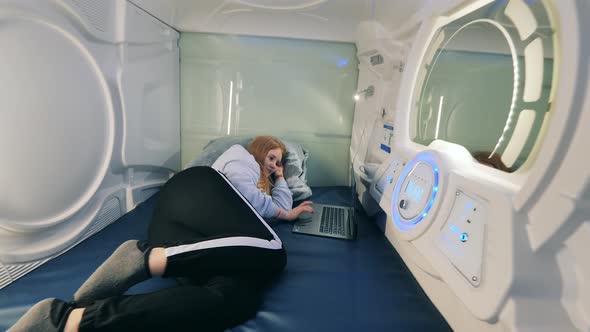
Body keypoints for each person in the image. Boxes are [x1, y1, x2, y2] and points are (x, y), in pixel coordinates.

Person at [10, 136, 314, 332]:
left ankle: (68, 321)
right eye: (271, 157)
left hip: (193, 236)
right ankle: (148, 260)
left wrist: (279, 178)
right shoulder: (239, 158)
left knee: (234, 298)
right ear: (258, 150)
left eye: (279, 160)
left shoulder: (268, 179)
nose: (273, 163)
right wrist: (286, 214)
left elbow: (279, 204)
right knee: (273, 251)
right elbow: (269, 207)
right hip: (193, 192)